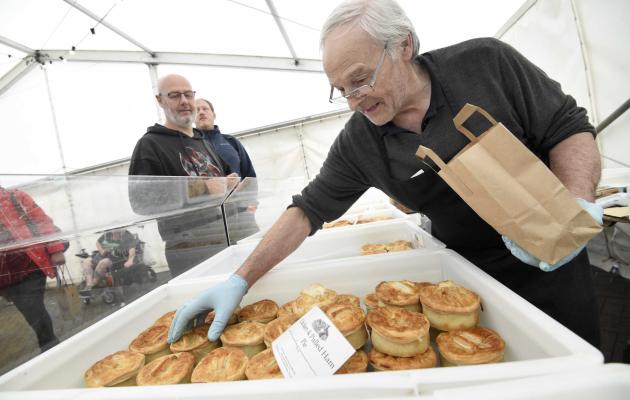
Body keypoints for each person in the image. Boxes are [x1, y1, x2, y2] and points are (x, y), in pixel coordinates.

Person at [168, 0, 603, 348]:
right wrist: (240, 278)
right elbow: (307, 210)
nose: (355, 100)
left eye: (360, 80)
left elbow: (567, 127)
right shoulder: (361, 142)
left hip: (554, 258)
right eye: (342, 90)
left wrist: (574, 202)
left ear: (404, 46)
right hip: (470, 289)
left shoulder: (486, 63)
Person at [129, 74, 237, 277]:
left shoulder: (202, 141)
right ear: (160, 100)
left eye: (188, 94)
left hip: (226, 240)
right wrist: (203, 188)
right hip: (189, 251)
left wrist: (231, 185)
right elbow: (140, 201)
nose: (184, 101)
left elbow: (222, 182)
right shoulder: (150, 145)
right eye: (175, 95)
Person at [0, 186, 66, 352]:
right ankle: (50, 347)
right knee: (31, 311)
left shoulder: (14, 197)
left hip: (30, 266)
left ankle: (50, 349)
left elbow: (42, 222)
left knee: (33, 310)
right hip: (4, 276)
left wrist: (56, 249)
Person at [195, 98, 259, 241]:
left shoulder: (231, 142)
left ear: (214, 114)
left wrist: (252, 203)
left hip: (242, 215)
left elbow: (250, 176)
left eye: (205, 109)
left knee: (252, 253)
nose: (201, 112)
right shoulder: (190, 149)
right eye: (196, 110)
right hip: (210, 222)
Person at [79, 229, 137, 296]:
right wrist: (102, 251)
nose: (115, 233)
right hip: (103, 255)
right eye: (114, 232)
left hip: (117, 259)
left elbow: (132, 250)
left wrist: (130, 260)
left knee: (103, 263)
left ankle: (92, 285)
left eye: (117, 232)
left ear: (121, 230)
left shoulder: (127, 235)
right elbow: (98, 242)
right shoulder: (108, 233)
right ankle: (89, 284)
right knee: (86, 262)